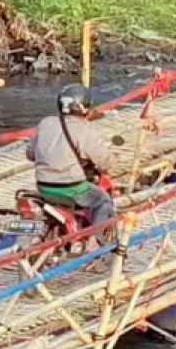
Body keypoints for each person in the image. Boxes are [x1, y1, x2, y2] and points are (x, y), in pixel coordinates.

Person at [25, 84, 116, 244]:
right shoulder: (83, 130)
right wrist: (114, 159)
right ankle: (94, 241)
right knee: (103, 200)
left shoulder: (45, 123)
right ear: (84, 107)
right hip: (71, 189)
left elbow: (30, 154)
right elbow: (104, 160)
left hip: (44, 187)